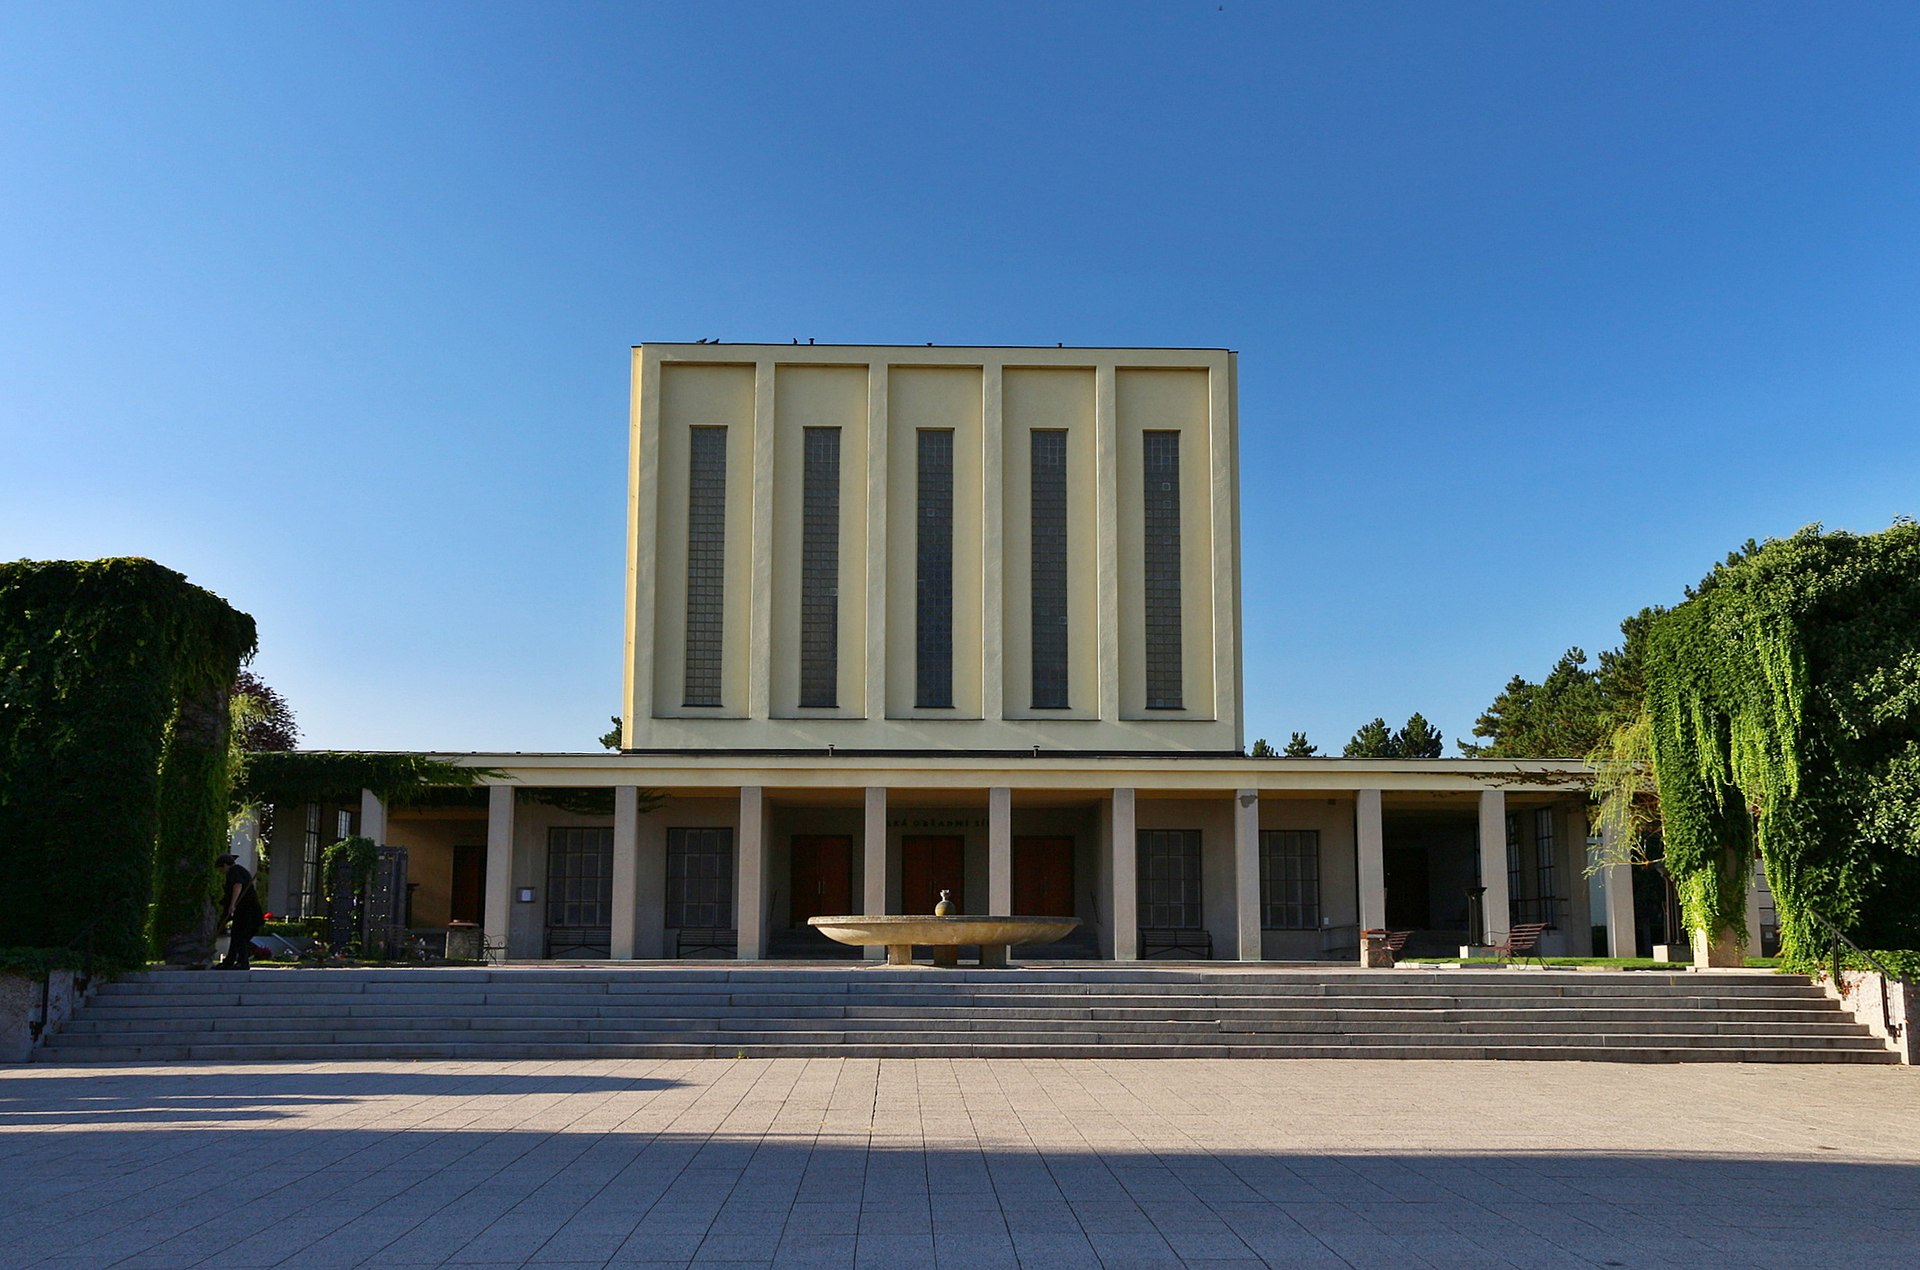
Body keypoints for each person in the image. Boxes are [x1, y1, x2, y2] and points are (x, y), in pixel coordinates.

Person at [215, 853, 265, 969]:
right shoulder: (239, 870)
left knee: (240, 937)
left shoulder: (234, 871)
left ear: (225, 865)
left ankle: (243, 963)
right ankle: (229, 962)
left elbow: (238, 885)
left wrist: (232, 905)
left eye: (220, 869)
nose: (221, 872)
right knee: (236, 935)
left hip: (247, 911)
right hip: (244, 911)